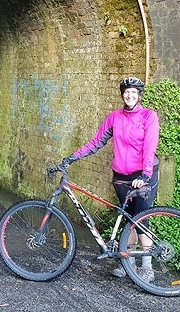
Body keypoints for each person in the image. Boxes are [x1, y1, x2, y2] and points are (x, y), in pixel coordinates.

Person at [61, 76, 160, 283]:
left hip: (142, 175)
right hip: (121, 177)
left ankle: (147, 268)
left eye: (134, 92)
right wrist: (73, 157)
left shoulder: (148, 116)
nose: (130, 95)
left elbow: (150, 147)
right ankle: (128, 263)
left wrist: (145, 174)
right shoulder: (115, 117)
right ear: (122, 95)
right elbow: (97, 142)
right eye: (126, 92)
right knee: (128, 220)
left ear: (139, 95)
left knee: (141, 220)